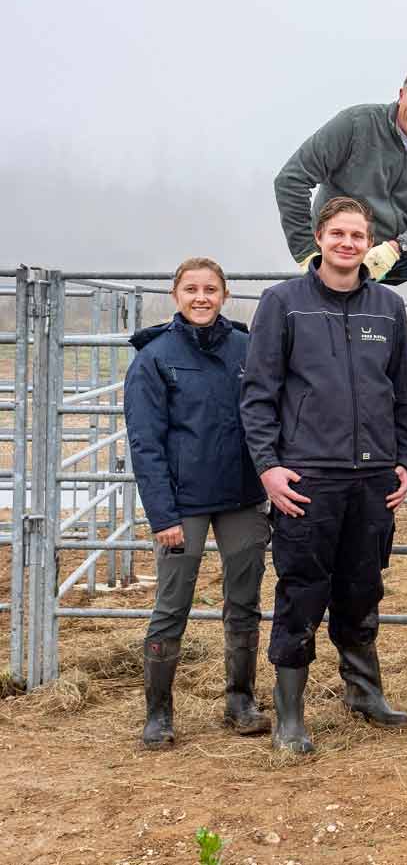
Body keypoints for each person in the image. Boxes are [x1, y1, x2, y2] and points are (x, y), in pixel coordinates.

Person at [240, 196, 407, 753]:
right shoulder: (283, 303)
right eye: (338, 233)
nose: (347, 243)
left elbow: (404, 392)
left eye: (357, 235)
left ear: (370, 243)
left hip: (372, 478)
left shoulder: (388, 307)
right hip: (307, 478)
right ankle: (290, 714)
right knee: (301, 590)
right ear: (319, 238)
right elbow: (258, 394)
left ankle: (363, 692)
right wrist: (269, 468)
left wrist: (406, 460)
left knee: (363, 586)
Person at [124, 258, 271, 749]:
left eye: (210, 289)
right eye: (191, 289)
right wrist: (162, 515)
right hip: (182, 505)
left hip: (242, 497)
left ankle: (240, 701)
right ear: (175, 295)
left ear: (224, 295)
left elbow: (269, 416)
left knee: (244, 602)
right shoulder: (154, 357)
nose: (201, 297)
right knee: (171, 606)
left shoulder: (247, 349)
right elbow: (145, 442)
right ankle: (159, 713)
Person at [273, 64, 407, 374]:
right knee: (330, 322)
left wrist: (397, 247)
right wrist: (306, 252)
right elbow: (291, 180)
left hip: (396, 251)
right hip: (343, 246)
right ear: (401, 95)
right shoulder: (356, 123)